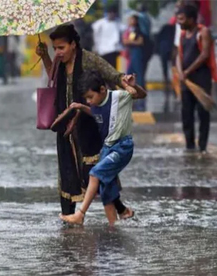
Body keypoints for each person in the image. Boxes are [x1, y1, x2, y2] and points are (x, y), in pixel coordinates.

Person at [35, 24, 134, 221]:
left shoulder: (88, 59)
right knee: (67, 171)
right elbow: (53, 78)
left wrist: (125, 80)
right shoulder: (58, 62)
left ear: (73, 44)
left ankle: (119, 210)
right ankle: (68, 217)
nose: (58, 52)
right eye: (55, 48)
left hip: (89, 124)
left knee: (97, 169)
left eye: (61, 48)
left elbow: (111, 74)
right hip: (65, 124)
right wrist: (46, 56)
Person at [59, 71, 147, 226]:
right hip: (107, 147)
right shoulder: (95, 104)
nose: (89, 101)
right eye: (86, 98)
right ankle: (114, 225)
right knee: (105, 189)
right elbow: (95, 114)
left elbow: (141, 94)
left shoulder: (119, 97)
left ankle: (80, 214)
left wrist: (133, 86)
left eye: (90, 97)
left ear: (102, 90)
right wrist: (81, 107)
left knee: (95, 173)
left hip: (122, 147)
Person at [176, 5, 217, 153]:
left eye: (181, 19)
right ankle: (189, 146)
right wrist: (181, 71)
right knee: (186, 113)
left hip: (201, 78)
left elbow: (205, 54)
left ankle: (202, 146)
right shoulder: (182, 35)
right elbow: (178, 55)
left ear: (191, 19)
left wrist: (187, 71)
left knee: (202, 113)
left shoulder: (203, 32)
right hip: (186, 81)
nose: (179, 22)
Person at [123, 14, 146, 111]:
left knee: (138, 74)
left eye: (131, 19)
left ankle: (140, 92)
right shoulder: (130, 30)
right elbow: (125, 41)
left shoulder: (138, 30)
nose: (129, 21)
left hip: (137, 53)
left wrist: (129, 42)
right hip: (132, 54)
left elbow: (140, 42)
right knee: (129, 72)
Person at [92, 5, 124, 69]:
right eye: (110, 12)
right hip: (103, 50)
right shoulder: (100, 23)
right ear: (107, 13)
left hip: (114, 50)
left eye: (113, 12)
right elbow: (95, 35)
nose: (112, 14)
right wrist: (96, 47)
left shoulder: (118, 23)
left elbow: (124, 31)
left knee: (113, 68)